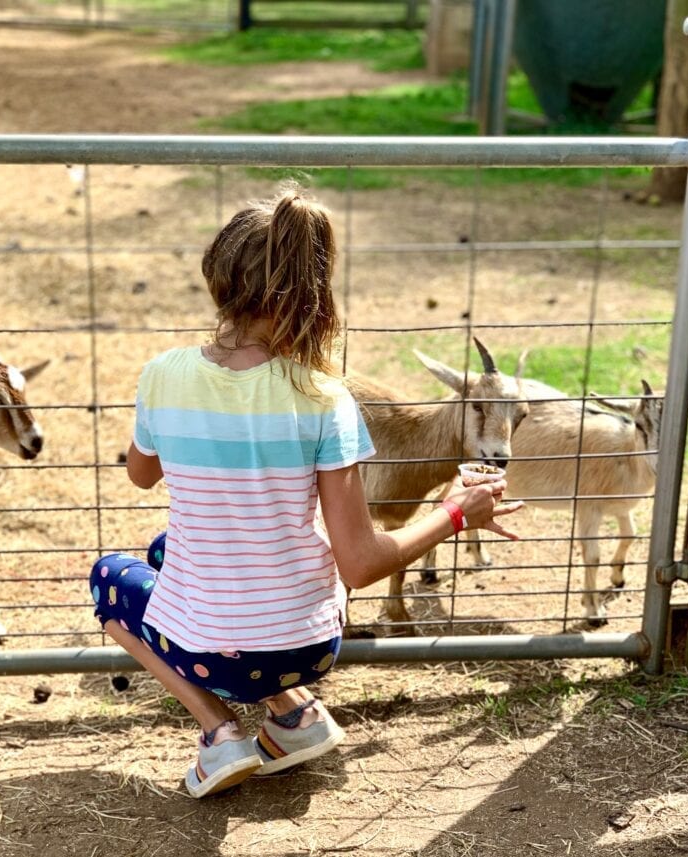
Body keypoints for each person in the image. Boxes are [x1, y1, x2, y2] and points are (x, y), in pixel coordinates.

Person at [89, 188, 523, 798]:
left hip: (217, 655)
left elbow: (141, 474)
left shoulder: (164, 374)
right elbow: (362, 563)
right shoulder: (326, 396)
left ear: (217, 276)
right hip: (311, 648)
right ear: (311, 294)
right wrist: (457, 513)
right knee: (165, 550)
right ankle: (295, 713)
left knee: (110, 575)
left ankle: (219, 732)